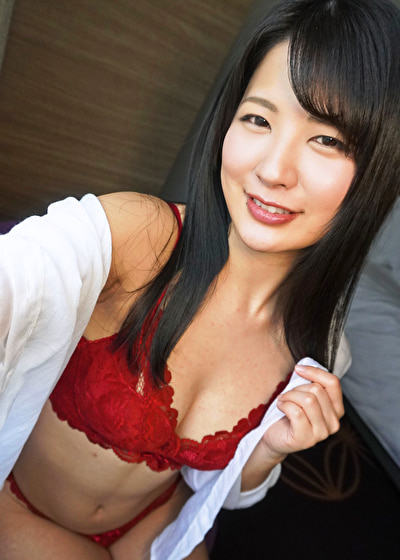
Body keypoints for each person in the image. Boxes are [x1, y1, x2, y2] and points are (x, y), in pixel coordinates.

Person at [1, 0, 400, 558]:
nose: (272, 170)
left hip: (153, 524)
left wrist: (269, 451)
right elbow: (21, 275)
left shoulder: (319, 351)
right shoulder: (138, 238)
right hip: (19, 504)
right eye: (258, 119)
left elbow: (220, 492)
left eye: (327, 141)